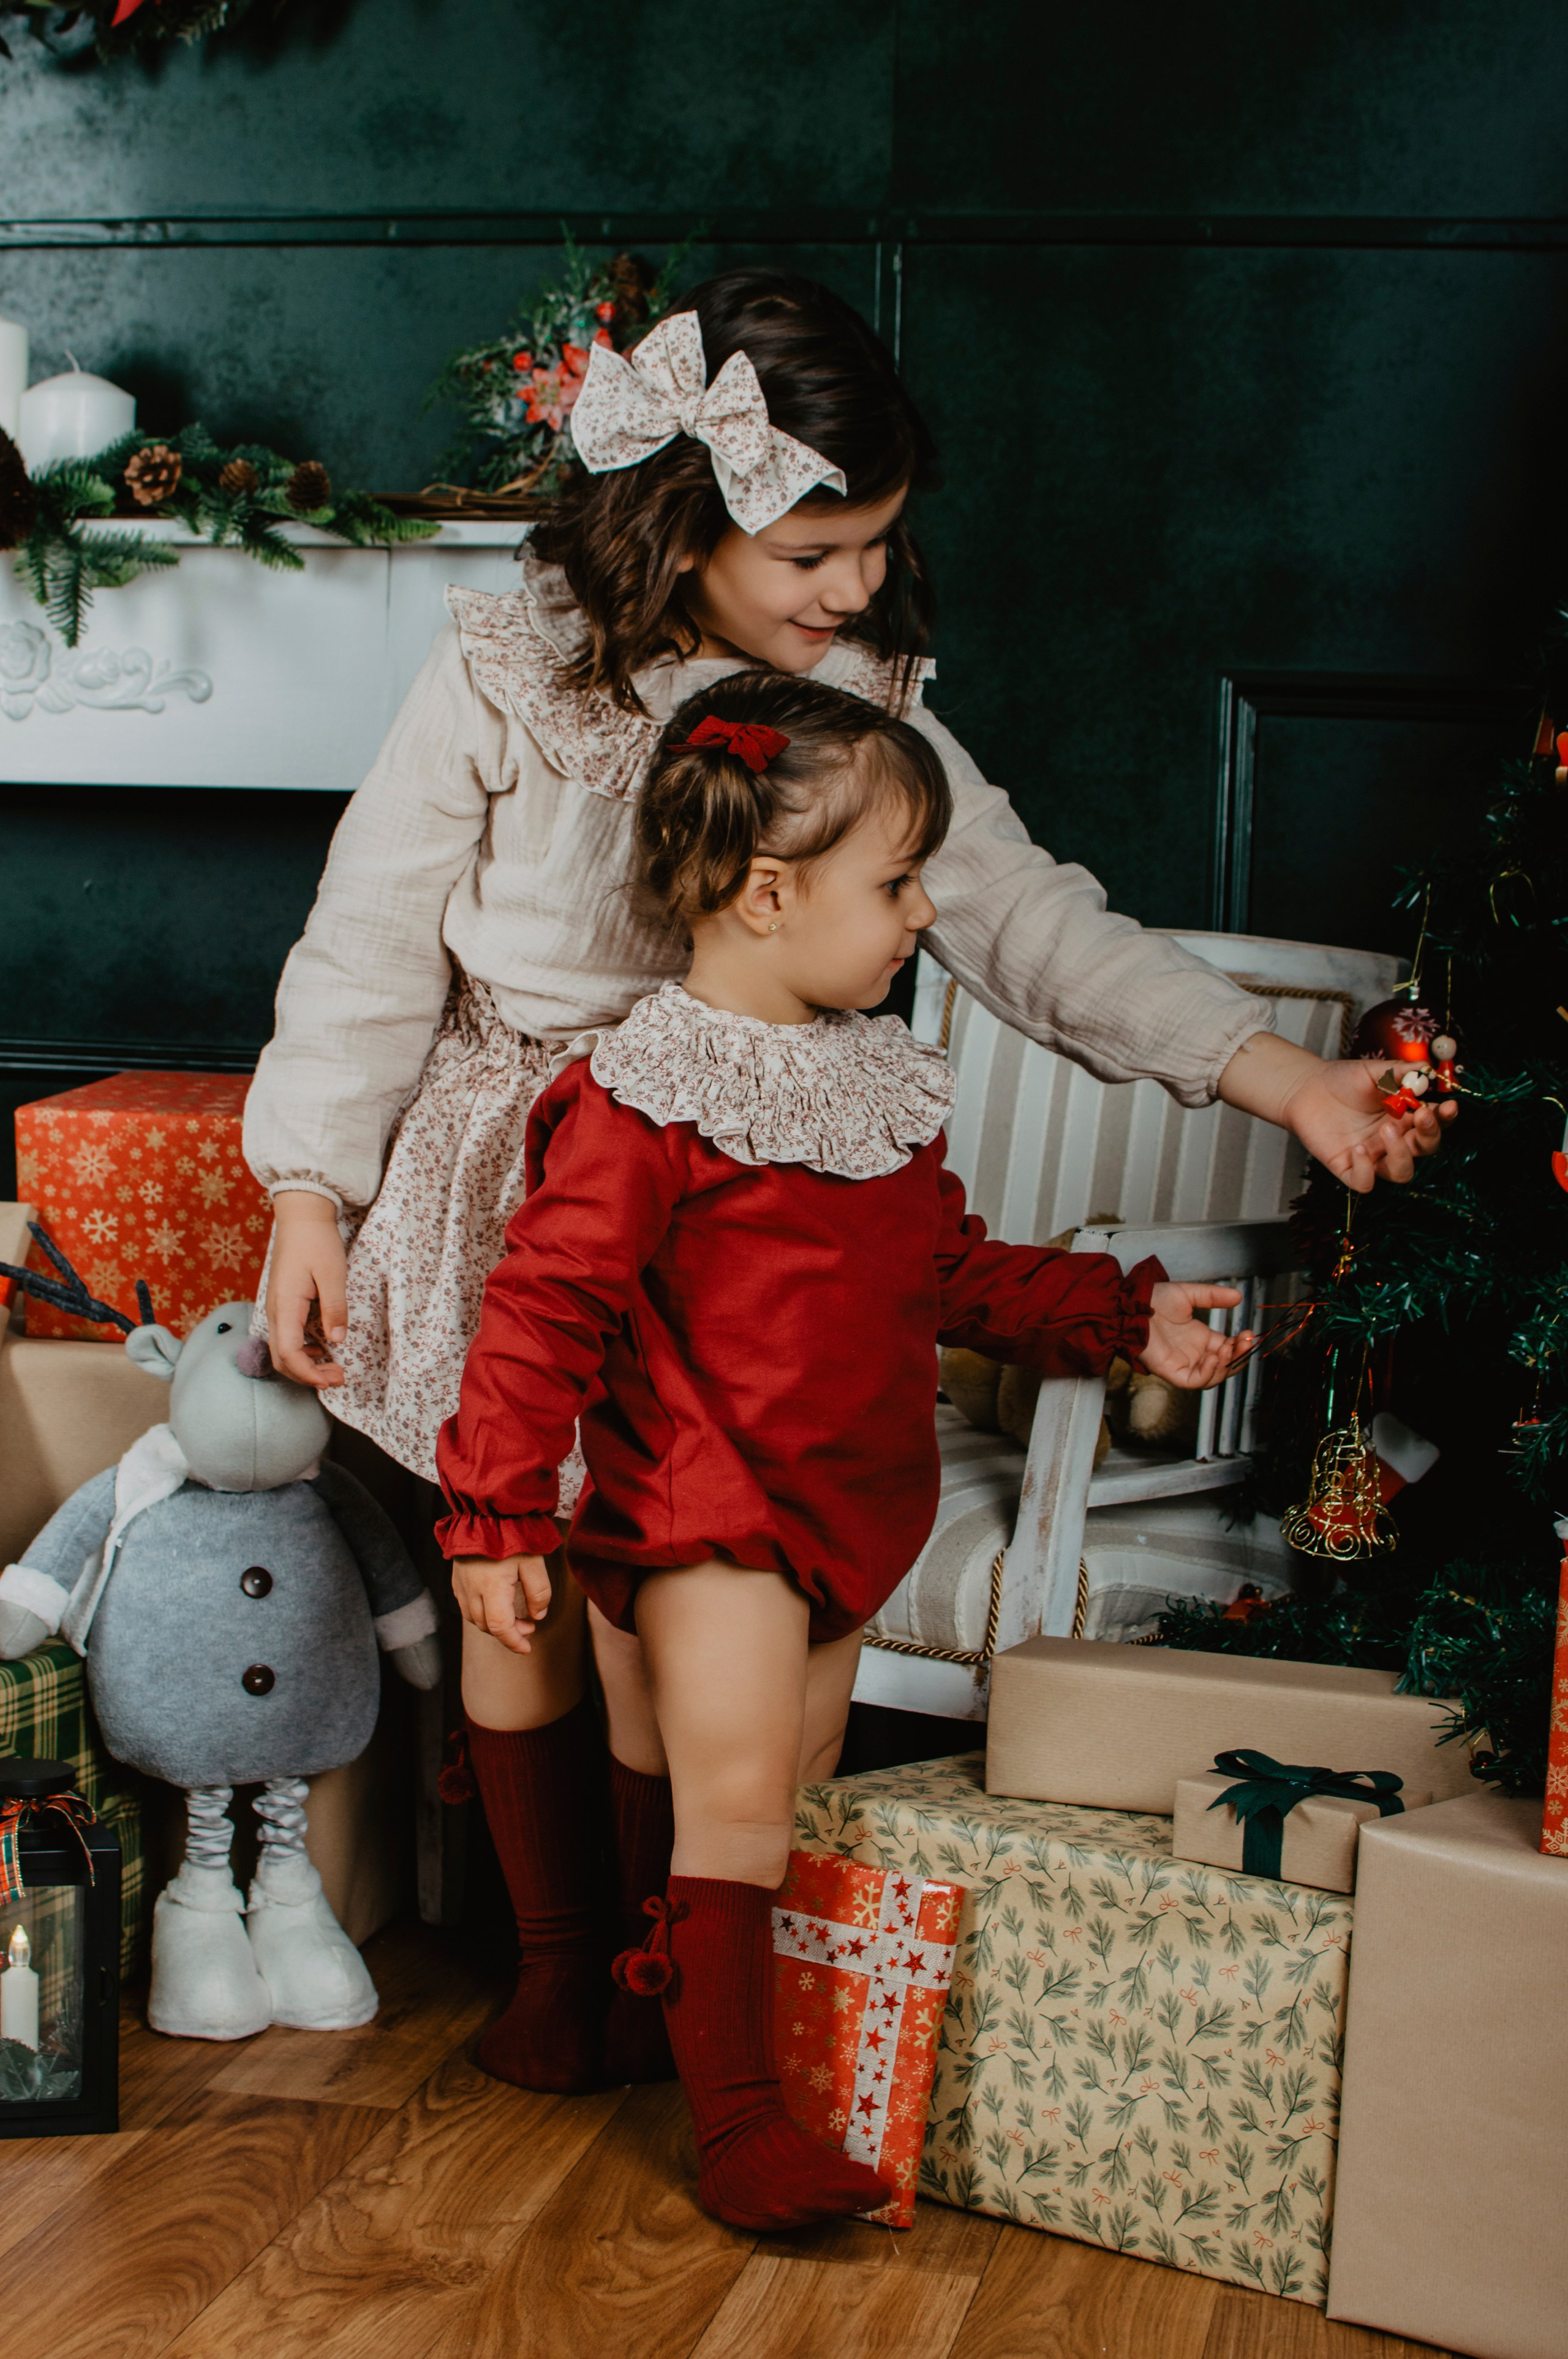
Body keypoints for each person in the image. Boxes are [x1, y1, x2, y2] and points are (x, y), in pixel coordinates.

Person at [242, 268, 1450, 2098]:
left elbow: (1029, 918)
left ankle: (672, 1978)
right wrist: (313, 1190)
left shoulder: (854, 700)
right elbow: (370, 942)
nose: (856, 590)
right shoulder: (509, 669)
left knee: (672, 1625)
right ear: (687, 509)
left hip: (746, 1240)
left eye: (878, 548)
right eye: (817, 549)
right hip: (531, 1197)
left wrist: (1280, 1072)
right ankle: (562, 1964)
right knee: (530, 1594)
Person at [434, 671, 1253, 2229]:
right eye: (893, 882)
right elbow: (545, 1308)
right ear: (763, 893)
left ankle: (626, 2013)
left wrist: (1116, 1315)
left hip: (847, 1505)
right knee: (735, 1805)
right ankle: (739, 2127)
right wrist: (494, 1515)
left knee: (760, 1796)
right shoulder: (643, 1097)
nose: (924, 911)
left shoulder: (872, 1081)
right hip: (709, 1506)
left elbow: (943, 1269)